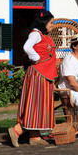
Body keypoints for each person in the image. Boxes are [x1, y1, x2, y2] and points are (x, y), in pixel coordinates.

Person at [8, 10, 57, 147]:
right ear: (44, 22)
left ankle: (34, 137)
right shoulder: (36, 34)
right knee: (36, 105)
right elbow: (26, 47)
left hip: (43, 74)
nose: (53, 25)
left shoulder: (43, 35)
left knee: (39, 106)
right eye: (51, 22)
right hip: (38, 74)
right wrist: (35, 58)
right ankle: (16, 131)